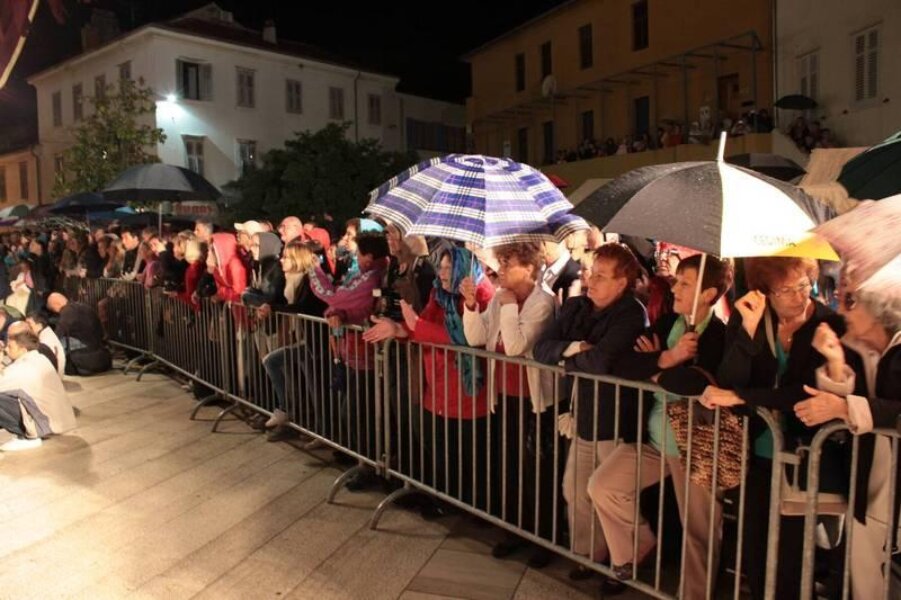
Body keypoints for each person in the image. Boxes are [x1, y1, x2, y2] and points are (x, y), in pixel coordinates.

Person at [700, 256, 844, 600]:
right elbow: (728, 379)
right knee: (755, 546)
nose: (800, 296)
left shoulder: (828, 323)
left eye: (804, 285)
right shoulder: (749, 316)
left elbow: (804, 393)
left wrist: (741, 396)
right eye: (786, 290)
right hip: (754, 452)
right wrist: (748, 333)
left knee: (792, 554)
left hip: (803, 455)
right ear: (764, 291)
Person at [591, 255, 731, 599]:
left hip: (696, 444)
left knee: (698, 530)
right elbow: (623, 363)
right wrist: (668, 358)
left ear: (709, 293)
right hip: (653, 437)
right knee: (603, 485)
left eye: (685, 283)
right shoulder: (668, 322)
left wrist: (655, 369)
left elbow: (697, 385)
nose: (675, 288)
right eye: (677, 281)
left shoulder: (721, 335)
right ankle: (637, 546)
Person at [533, 242, 647, 592]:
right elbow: (541, 349)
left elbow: (602, 361)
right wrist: (576, 348)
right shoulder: (576, 306)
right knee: (574, 488)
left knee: (609, 495)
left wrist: (568, 360)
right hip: (582, 410)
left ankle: (623, 560)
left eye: (600, 276)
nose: (590, 280)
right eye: (590, 273)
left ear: (622, 283)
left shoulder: (632, 314)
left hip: (616, 416)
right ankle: (588, 554)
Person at [792, 267, 900, 600]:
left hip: (889, 495)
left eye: (851, 300)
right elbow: (846, 404)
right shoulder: (862, 348)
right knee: (865, 581)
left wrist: (844, 407)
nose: (841, 309)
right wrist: (836, 364)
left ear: (881, 305)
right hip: (870, 488)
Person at [462, 242, 557, 566]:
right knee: (510, 464)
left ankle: (543, 538)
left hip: (534, 400)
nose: (500, 270)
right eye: (500, 263)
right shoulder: (502, 297)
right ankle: (515, 530)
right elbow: (477, 337)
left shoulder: (542, 302)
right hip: (505, 394)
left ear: (529, 268)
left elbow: (515, 346)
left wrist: (508, 306)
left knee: (536, 470)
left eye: (508, 264)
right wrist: (472, 305)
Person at [261, 241, 328, 442]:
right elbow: (283, 302)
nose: (282, 260)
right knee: (277, 364)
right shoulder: (291, 279)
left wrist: (274, 308)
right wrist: (270, 305)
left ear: (298, 259)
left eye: (287, 257)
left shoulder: (309, 279)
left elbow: (304, 307)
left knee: (316, 387)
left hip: (314, 341)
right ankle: (291, 412)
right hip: (301, 338)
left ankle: (322, 430)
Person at [0, 328, 75, 452]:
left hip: (44, 425)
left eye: (10, 347)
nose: (6, 350)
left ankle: (27, 437)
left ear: (23, 349)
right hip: (56, 421)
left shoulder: (24, 368)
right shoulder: (38, 358)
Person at [47, 292, 111, 375]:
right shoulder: (85, 306)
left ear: (56, 305)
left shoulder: (67, 312)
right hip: (97, 344)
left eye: (53, 309)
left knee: (56, 343)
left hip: (85, 345)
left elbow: (58, 334)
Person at [27, 312, 66, 377]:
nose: (26, 327)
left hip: (52, 376)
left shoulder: (46, 340)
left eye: (29, 324)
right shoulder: (46, 333)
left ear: (39, 325)